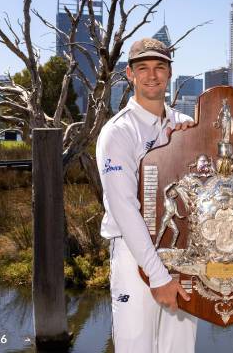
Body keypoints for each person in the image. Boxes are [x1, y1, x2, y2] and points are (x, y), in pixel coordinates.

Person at [96, 38, 197, 353]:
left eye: (159, 67)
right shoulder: (119, 132)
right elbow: (124, 209)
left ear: (169, 73)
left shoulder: (186, 126)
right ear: (130, 74)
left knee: (179, 348)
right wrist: (158, 276)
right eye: (143, 68)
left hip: (184, 250)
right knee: (135, 346)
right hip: (133, 254)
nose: (152, 75)